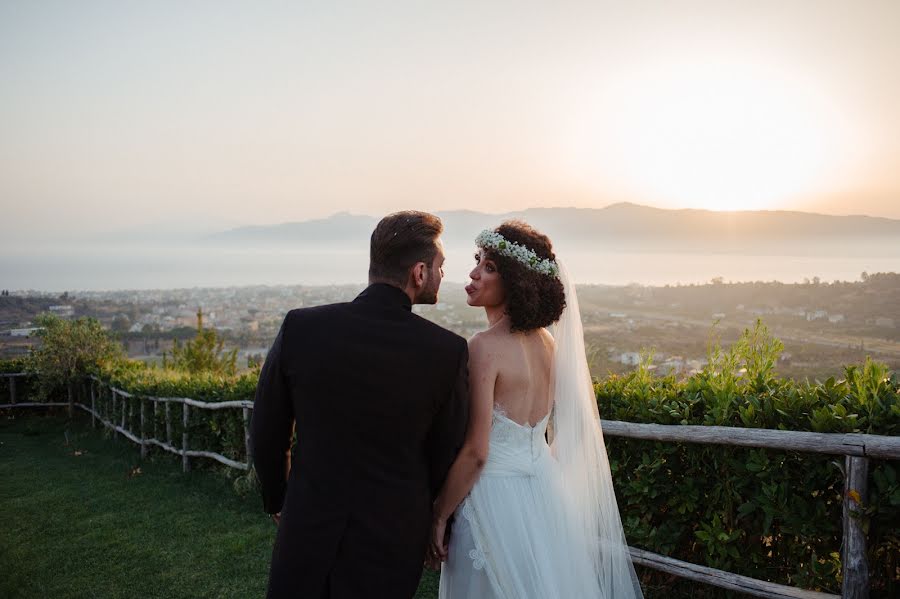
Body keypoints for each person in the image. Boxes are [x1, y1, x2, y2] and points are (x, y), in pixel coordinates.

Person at [251, 211, 470, 599]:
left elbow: (267, 429)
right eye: (440, 267)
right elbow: (444, 452)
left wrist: (279, 498)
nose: (441, 276)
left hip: (307, 524)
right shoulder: (447, 352)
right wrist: (430, 518)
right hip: (392, 538)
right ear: (419, 273)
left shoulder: (301, 327)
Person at [432, 221, 643, 598]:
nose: (474, 272)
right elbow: (571, 429)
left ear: (516, 282)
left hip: (492, 498)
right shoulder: (548, 344)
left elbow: (477, 452)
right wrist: (538, 469)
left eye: (490, 267)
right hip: (545, 491)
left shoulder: (483, 347)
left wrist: (439, 514)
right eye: (478, 260)